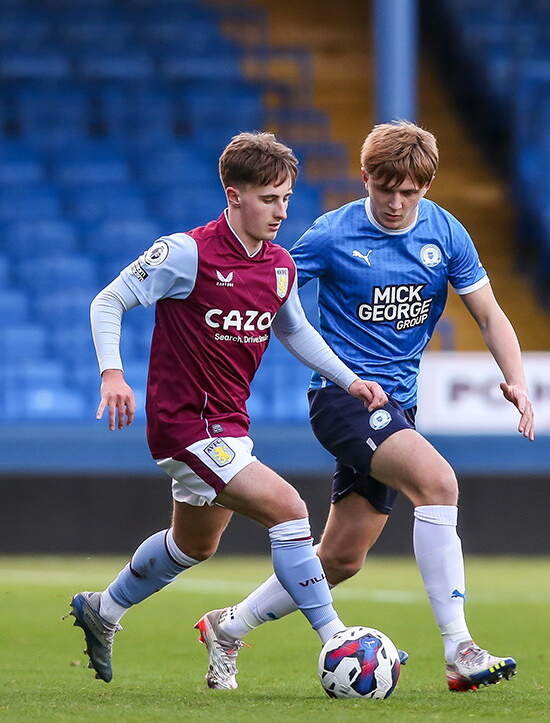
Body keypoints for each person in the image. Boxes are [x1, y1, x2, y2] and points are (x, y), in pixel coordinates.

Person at [200, 121, 535, 692]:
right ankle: (460, 649)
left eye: (411, 192)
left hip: (398, 410)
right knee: (439, 482)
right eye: (387, 189)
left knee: (339, 560)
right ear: (365, 179)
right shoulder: (332, 234)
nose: (398, 203)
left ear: (426, 187)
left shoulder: (446, 233)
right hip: (342, 400)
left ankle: (228, 627)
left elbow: (488, 312)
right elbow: (269, 286)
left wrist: (517, 381)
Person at [67, 131, 388, 686]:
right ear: (233, 194)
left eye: (287, 198)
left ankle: (104, 610)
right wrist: (112, 374)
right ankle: (335, 635)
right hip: (184, 425)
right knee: (289, 509)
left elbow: (295, 330)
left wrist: (350, 379)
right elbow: (109, 300)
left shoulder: (280, 265)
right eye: (269, 198)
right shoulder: (186, 253)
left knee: (193, 545)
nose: (281, 211)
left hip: (230, 426)